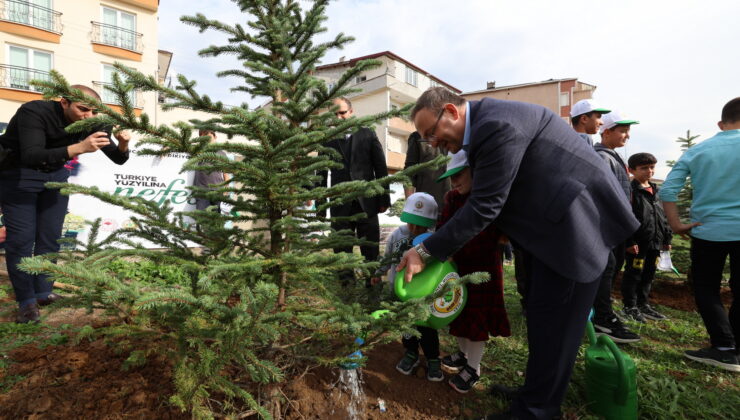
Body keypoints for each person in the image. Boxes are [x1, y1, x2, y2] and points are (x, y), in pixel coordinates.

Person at [397, 87, 638, 419]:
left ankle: (537, 411)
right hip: (547, 234)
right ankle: (534, 393)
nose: (433, 143)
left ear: (451, 112)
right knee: (541, 320)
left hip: (573, 232)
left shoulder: (497, 126)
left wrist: (424, 251)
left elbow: (485, 205)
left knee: (556, 330)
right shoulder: (485, 127)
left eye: (431, 133)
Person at [0, 85, 131, 323]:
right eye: (82, 109)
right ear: (64, 102)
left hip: (55, 176)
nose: (88, 116)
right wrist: (79, 147)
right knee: (21, 240)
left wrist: (122, 143)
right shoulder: (35, 111)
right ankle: (26, 301)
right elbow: (31, 154)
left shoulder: (91, 121)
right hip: (18, 174)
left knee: (50, 237)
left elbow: (118, 158)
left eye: (93, 112)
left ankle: (42, 292)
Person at [660, 97, 740, 373]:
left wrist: (676, 225)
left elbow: (667, 190)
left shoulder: (699, 150)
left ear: (721, 123)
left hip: (708, 231)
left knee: (707, 288)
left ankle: (724, 347)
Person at [435, 150, 511, 394]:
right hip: (457, 267)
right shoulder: (451, 198)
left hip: (484, 268)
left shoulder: (489, 196)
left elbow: (504, 226)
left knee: (477, 316)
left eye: (460, 174)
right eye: (451, 176)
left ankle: (473, 367)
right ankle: (463, 353)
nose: (455, 181)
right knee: (457, 311)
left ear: (476, 171)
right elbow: (443, 227)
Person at [372, 192, 443, 381]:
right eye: (411, 222)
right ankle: (410, 352)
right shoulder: (398, 235)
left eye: (420, 224)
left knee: (427, 328)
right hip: (400, 292)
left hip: (423, 294)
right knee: (406, 325)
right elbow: (387, 256)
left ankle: (433, 358)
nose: (414, 228)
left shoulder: (434, 239)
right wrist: (379, 273)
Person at [319, 97, 390, 286]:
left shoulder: (368, 133)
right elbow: (320, 173)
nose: (338, 118)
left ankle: (373, 286)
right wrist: (321, 206)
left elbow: (380, 168)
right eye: (334, 114)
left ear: (351, 112)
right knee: (342, 248)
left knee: (370, 247)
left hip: (367, 202)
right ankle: (347, 289)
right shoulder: (327, 139)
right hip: (339, 205)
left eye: (342, 113)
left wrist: (384, 198)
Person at [591, 111, 642, 343]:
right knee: (606, 269)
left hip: (614, 227)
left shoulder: (612, 156)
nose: (627, 136)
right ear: (607, 132)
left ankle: (600, 314)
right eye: (622, 130)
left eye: (628, 131)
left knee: (609, 269)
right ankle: (603, 318)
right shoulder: (602, 158)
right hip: (603, 228)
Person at [621, 153, 672, 322]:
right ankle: (630, 306)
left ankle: (643, 304)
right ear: (631, 170)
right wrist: (630, 241)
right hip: (638, 244)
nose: (649, 171)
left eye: (652, 167)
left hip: (656, 242)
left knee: (649, 274)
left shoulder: (656, 190)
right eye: (644, 168)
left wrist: (666, 239)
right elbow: (625, 217)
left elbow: (663, 217)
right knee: (634, 274)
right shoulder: (630, 191)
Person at [403, 131, 449, 209]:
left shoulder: (456, 134)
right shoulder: (417, 137)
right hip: (425, 208)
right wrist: (410, 209)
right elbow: (409, 173)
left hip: (457, 207)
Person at [192, 130, 231, 212]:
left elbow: (226, 174)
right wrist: (167, 147)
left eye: (209, 137)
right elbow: (181, 147)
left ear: (215, 137)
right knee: (201, 218)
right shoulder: (197, 150)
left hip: (217, 191)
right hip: (201, 191)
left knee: (215, 219)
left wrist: (226, 190)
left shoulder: (222, 154)